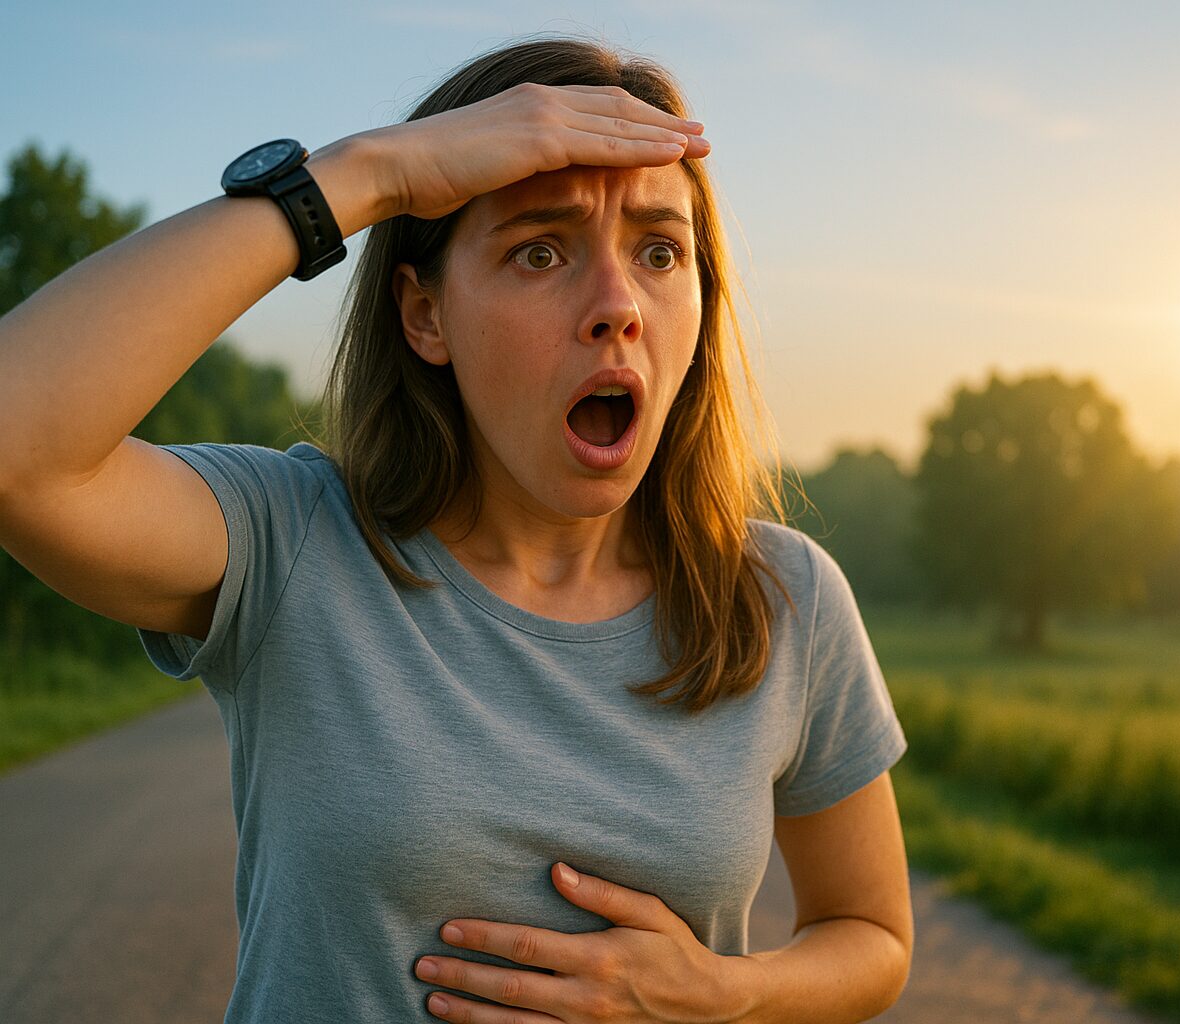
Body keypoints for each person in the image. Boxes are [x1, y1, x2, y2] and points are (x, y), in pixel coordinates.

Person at [0, 33, 912, 1024]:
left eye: (660, 251)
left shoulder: (786, 598)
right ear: (424, 316)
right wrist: (371, 171)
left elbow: (871, 937)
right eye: (540, 250)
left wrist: (722, 993)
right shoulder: (293, 544)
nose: (617, 306)